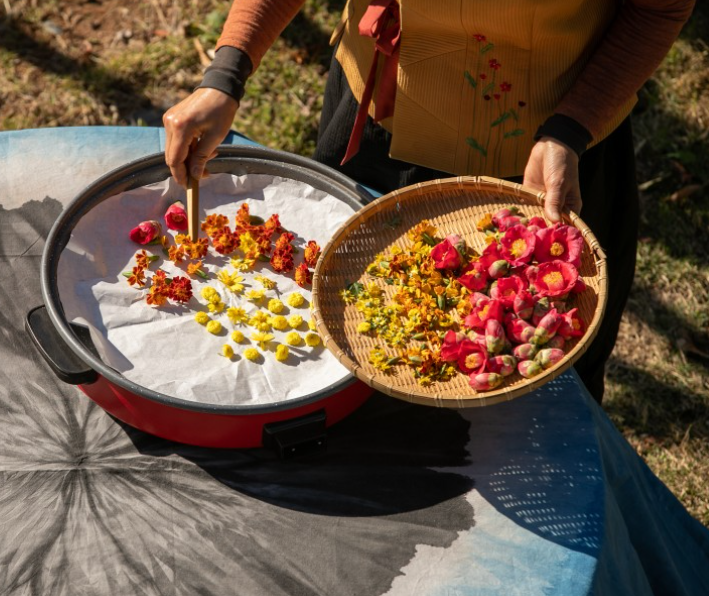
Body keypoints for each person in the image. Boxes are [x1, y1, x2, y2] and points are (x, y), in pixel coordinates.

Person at [163, 0, 695, 403]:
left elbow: (657, 7)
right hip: (379, 112)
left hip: (546, 152)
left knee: (540, 383)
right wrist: (227, 72)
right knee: (349, 359)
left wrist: (571, 130)